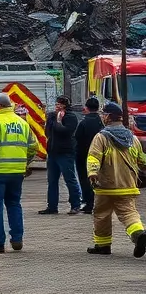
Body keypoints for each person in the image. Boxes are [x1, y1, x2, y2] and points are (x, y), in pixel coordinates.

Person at [0, 92, 39, 253]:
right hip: (17, 172)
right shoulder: (22, 123)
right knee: (14, 204)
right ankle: (17, 239)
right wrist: (25, 162)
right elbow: (33, 146)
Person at [84, 102, 146, 257]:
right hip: (127, 185)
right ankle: (139, 235)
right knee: (129, 213)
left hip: (106, 186)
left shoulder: (101, 137)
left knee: (101, 214)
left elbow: (93, 157)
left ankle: (103, 245)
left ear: (109, 117)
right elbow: (142, 160)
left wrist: (92, 173)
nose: (102, 117)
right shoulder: (132, 138)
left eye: (104, 114)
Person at [39, 96, 82, 215]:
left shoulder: (70, 117)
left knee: (70, 179)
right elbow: (47, 132)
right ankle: (52, 206)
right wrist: (51, 119)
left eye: (60, 104)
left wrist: (58, 121)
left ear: (65, 105)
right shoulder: (53, 116)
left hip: (65, 153)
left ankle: (75, 205)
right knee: (52, 181)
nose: (57, 106)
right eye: (57, 104)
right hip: (52, 152)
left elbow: (64, 131)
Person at [74, 97, 104, 214]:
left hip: (83, 155)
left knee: (84, 179)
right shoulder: (101, 122)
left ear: (86, 108)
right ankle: (98, 201)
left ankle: (89, 203)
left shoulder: (83, 123)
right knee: (98, 177)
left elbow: (77, 138)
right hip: (99, 154)